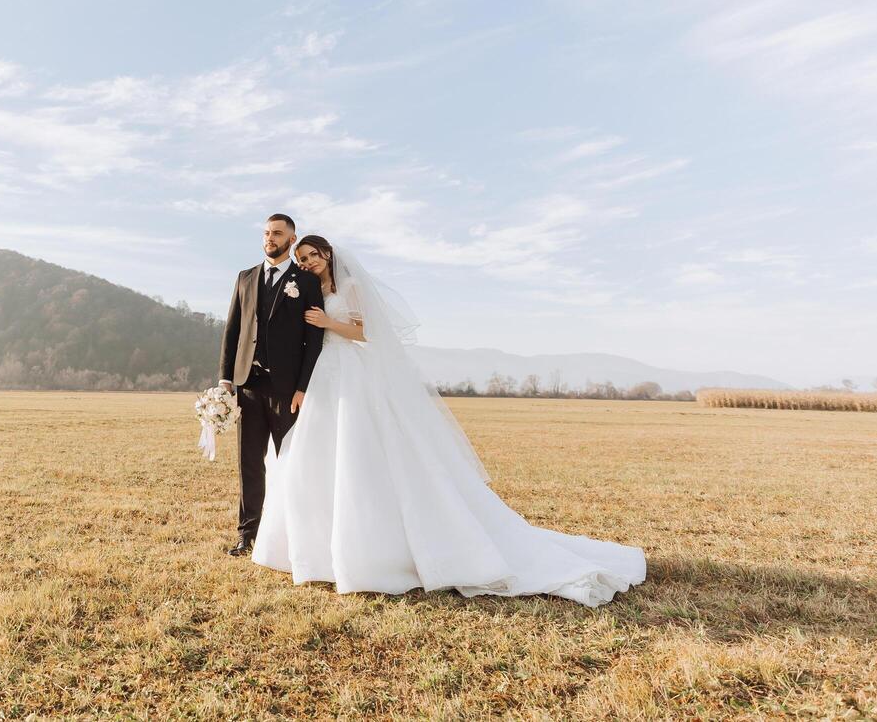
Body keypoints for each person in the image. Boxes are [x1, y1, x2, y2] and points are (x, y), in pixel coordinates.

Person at [251, 234, 647, 607]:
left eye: (312, 256)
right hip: (324, 374)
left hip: (352, 370)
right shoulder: (308, 290)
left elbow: (365, 332)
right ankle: (317, 546)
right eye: (301, 259)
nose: (306, 263)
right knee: (318, 456)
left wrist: (327, 323)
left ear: (328, 256)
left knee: (360, 450)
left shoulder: (349, 288)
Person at [218, 214, 326, 556]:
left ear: (291, 240)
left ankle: (296, 535)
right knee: (249, 462)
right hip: (248, 386)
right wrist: (225, 380)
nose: (270, 237)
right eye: (266, 232)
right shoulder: (245, 277)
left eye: (277, 233)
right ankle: (247, 536)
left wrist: (302, 387)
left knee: (290, 462)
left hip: (287, 389)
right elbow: (232, 331)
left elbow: (315, 340)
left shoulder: (306, 283)